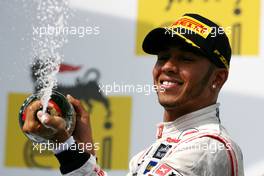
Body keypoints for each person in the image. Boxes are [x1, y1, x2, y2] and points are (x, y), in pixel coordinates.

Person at [22, 13, 244, 176]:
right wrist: (79, 152)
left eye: (186, 59)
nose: (167, 67)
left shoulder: (207, 147)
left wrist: (65, 146)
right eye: (162, 57)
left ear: (217, 78)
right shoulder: (153, 152)